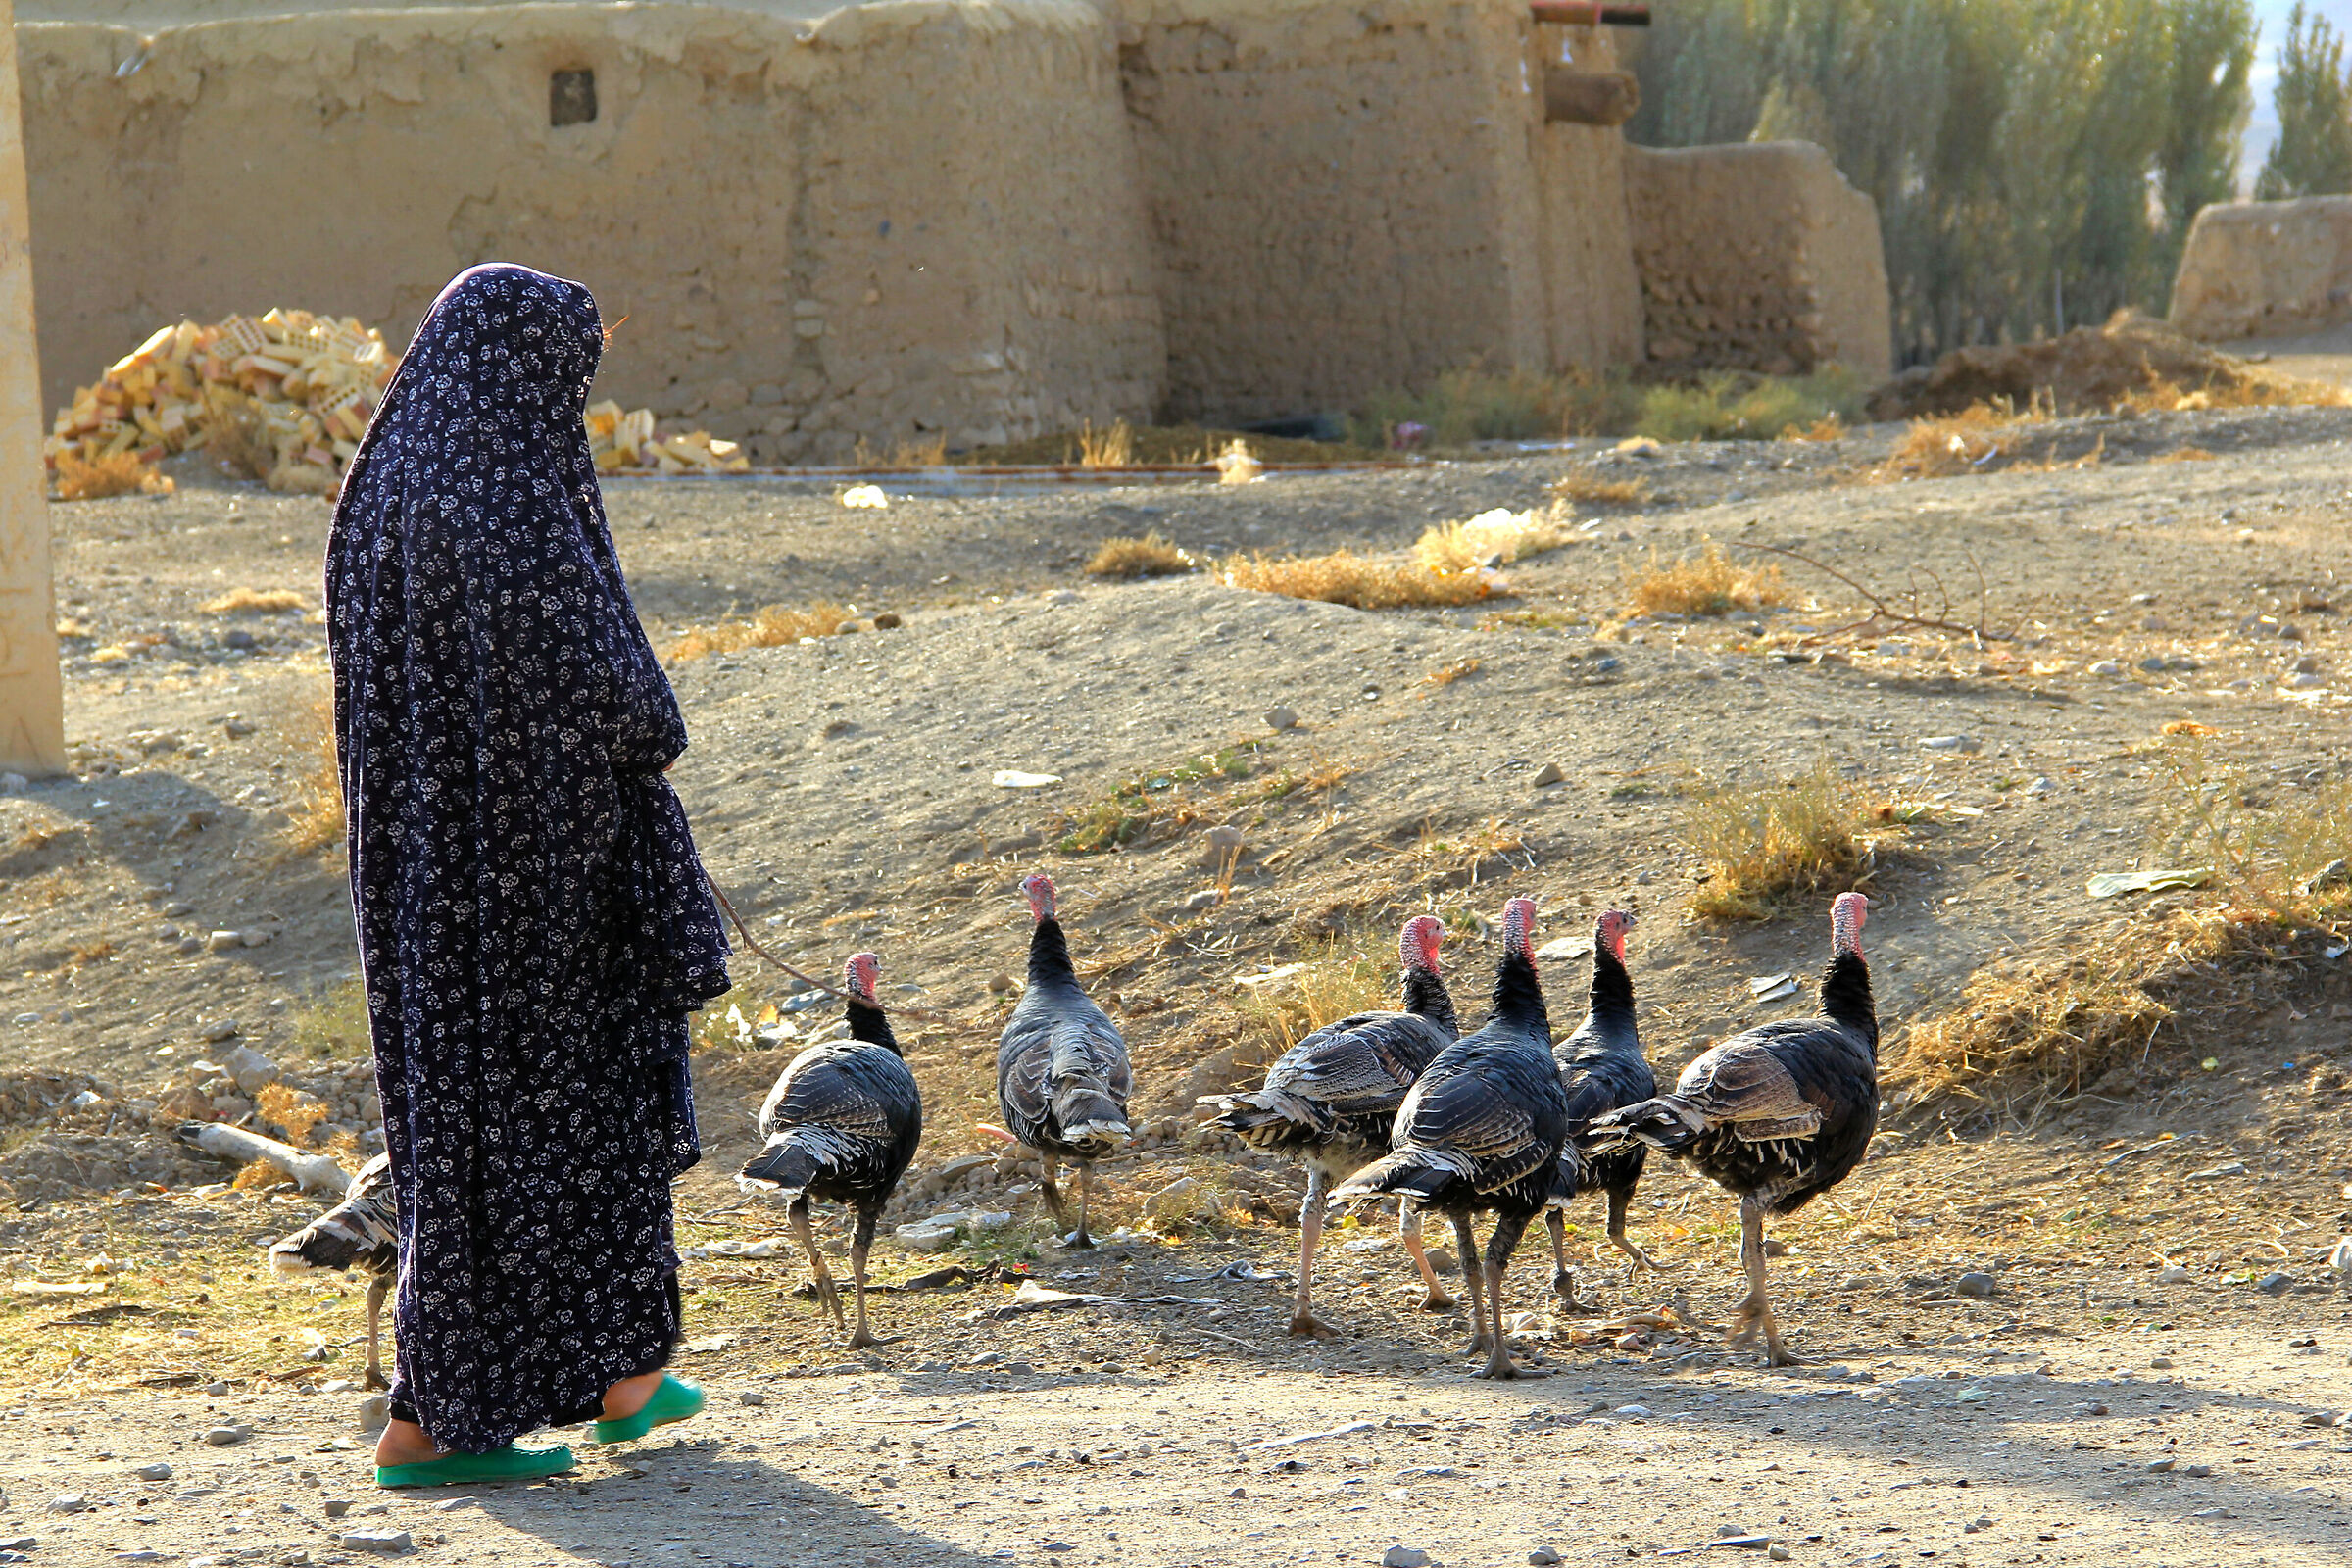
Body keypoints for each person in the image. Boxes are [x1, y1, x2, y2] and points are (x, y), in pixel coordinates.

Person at [326, 264, 731, 1487]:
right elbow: (619, 698)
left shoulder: (384, 489)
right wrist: (652, 732)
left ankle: (624, 1375)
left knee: (472, 1127)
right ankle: (436, 1423)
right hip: (542, 879)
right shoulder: (511, 498)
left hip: (425, 885)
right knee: (567, 1109)